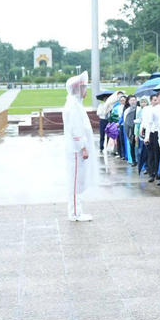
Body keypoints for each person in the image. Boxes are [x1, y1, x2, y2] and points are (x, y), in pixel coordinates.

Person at [62, 73, 96, 221]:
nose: (86, 90)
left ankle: (77, 210)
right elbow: (76, 129)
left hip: (77, 148)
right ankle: (75, 212)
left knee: (77, 179)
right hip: (76, 149)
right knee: (75, 181)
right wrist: (83, 147)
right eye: (84, 87)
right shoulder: (72, 106)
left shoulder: (75, 104)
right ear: (78, 89)